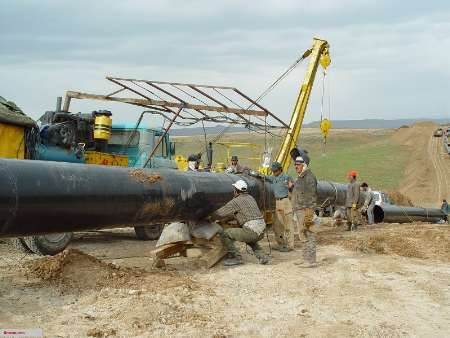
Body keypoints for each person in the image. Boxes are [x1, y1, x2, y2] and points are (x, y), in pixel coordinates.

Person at [212, 179, 269, 266]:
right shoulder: (250, 197)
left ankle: (236, 258)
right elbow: (240, 213)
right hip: (261, 230)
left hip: (252, 231)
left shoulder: (236, 201)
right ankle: (262, 256)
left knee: (225, 234)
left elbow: (219, 213)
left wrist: (208, 215)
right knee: (249, 239)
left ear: (236, 190)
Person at [289, 156, 318, 268]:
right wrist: (291, 188)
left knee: (309, 234)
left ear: (304, 164)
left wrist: (309, 212)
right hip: (298, 209)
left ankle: (311, 261)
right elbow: (299, 192)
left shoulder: (309, 177)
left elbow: (312, 196)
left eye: (298, 164)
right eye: (295, 164)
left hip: (305, 210)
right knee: (302, 234)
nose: (296, 166)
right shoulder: (301, 177)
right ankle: (305, 257)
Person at [264, 161, 295, 252]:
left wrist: (290, 187)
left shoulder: (286, 177)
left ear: (280, 170)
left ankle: (290, 245)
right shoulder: (273, 178)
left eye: (275, 171)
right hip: (277, 203)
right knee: (277, 225)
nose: (274, 173)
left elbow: (293, 188)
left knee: (288, 224)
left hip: (285, 201)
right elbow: (265, 177)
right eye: (273, 171)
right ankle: (280, 243)